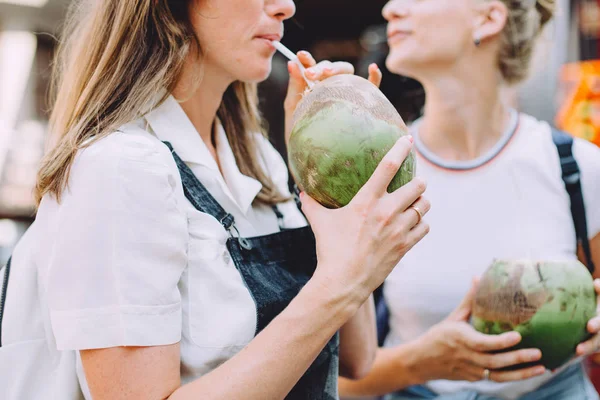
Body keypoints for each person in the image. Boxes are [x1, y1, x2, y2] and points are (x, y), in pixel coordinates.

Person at [0, 1, 432, 399]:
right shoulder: (121, 169)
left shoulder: (258, 158)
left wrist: (326, 166)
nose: (286, 6)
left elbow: (357, 359)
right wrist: (343, 281)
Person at [339, 0, 600, 399]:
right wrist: (419, 363)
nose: (391, 9)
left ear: (489, 16)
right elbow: (335, 384)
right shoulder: (378, 172)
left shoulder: (577, 168)